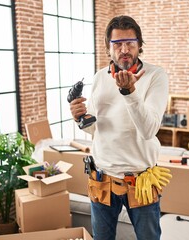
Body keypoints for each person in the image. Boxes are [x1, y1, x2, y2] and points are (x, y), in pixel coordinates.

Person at [69, 15, 171, 240]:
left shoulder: (155, 76)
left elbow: (148, 130)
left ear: (139, 45)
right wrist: (80, 119)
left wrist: (129, 92)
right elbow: (96, 129)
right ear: (109, 48)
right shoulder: (98, 78)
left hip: (141, 181)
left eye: (130, 43)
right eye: (117, 44)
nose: (124, 49)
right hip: (101, 179)